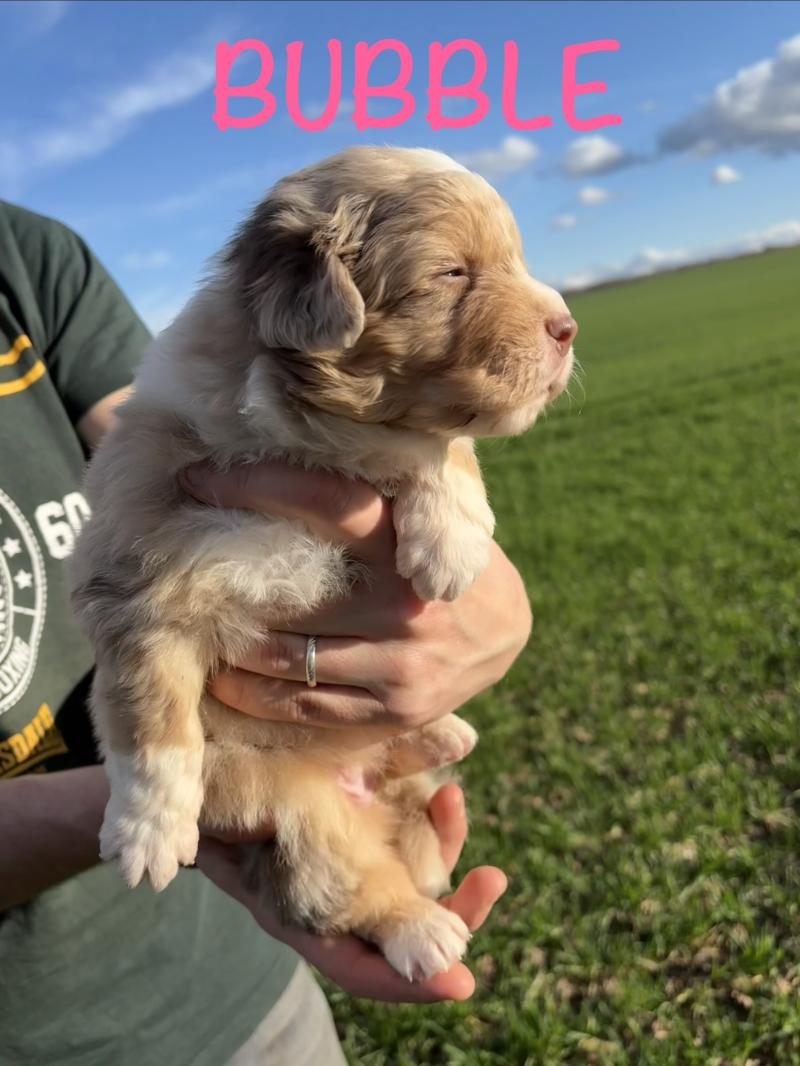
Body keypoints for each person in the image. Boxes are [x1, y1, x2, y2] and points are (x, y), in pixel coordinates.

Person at [0, 200, 530, 1065]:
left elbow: (196, 428)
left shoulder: (22, 254)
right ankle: (377, 890)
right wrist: (184, 797)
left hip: (247, 994)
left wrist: (439, 486)